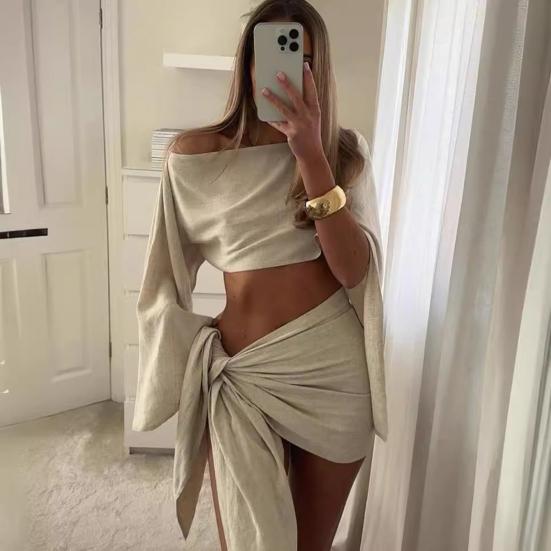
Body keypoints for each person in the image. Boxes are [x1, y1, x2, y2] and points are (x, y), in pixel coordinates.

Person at [132, 1, 388, 550]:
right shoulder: (193, 157)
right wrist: (184, 358)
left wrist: (310, 156)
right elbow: (163, 279)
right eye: (267, 54)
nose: (286, 72)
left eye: (303, 60)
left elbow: (353, 271)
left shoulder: (345, 154)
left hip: (332, 377)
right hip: (245, 377)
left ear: (320, 71)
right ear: (246, 63)